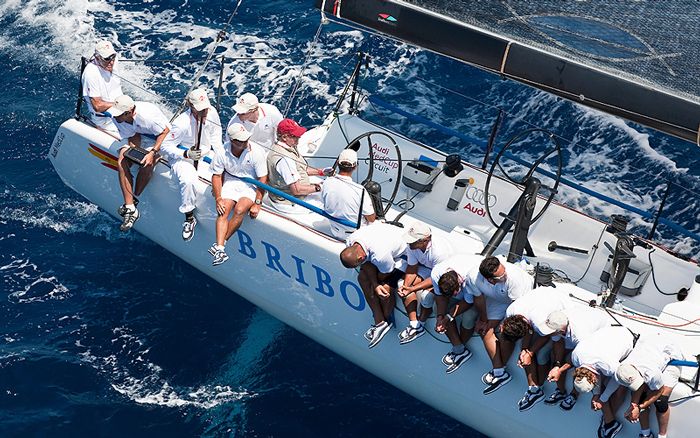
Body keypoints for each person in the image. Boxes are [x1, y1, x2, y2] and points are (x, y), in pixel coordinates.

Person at [160, 88, 223, 241]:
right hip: (183, 158)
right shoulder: (182, 123)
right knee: (188, 180)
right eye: (200, 109)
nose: (205, 112)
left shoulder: (211, 112)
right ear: (191, 106)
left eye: (205, 108)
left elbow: (216, 138)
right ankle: (189, 217)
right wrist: (186, 153)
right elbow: (165, 146)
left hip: (206, 155)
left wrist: (221, 159)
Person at [467, 256, 533, 395]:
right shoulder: (474, 278)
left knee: (507, 335)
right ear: (490, 280)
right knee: (484, 331)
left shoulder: (514, 280)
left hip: (518, 304)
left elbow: (518, 311)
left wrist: (505, 325)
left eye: (504, 271)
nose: (505, 275)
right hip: (498, 300)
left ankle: (499, 369)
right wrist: (484, 319)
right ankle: (500, 372)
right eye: (501, 276)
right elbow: (478, 298)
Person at [500, 287, 571, 411]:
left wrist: (530, 352)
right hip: (542, 301)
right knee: (524, 351)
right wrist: (525, 351)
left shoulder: (539, 322)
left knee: (542, 353)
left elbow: (549, 337)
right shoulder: (511, 312)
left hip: (561, 308)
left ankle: (538, 387)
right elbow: (529, 331)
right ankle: (534, 389)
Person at [340, 223, 408, 348]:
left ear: (360, 257)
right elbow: (365, 265)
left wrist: (376, 285)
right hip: (384, 249)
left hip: (402, 257)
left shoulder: (380, 256)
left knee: (385, 287)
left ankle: (386, 320)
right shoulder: (351, 241)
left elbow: (386, 272)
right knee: (362, 277)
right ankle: (380, 322)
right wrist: (375, 285)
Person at [109, 95, 171, 232]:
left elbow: (165, 131)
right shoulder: (117, 117)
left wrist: (152, 153)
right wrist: (134, 151)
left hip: (160, 138)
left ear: (129, 112)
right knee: (122, 159)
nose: (115, 117)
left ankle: (135, 196)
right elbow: (133, 134)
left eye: (119, 114)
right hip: (141, 136)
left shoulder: (147, 117)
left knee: (148, 163)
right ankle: (131, 207)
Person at [209, 123, 268, 265]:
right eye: (241, 140)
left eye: (246, 139)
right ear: (232, 141)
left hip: (250, 185)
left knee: (240, 209)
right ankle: (221, 249)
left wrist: (257, 203)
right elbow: (216, 176)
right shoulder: (222, 152)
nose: (246, 142)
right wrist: (218, 198)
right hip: (230, 182)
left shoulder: (256, 152)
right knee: (223, 211)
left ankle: (219, 246)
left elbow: (262, 179)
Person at [614, 334, 685, 438]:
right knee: (641, 397)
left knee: (661, 401)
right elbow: (637, 386)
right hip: (651, 353)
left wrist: (640, 406)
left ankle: (662, 436)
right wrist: (633, 406)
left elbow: (659, 391)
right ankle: (646, 435)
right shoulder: (623, 368)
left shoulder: (652, 372)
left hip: (672, 359)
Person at [571, 325, 636, 438]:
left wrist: (602, 398)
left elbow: (618, 380)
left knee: (621, 387)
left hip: (628, 337)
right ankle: (609, 421)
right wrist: (597, 395)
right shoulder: (575, 357)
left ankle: (609, 421)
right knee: (604, 388)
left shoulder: (608, 366)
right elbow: (593, 370)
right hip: (610, 329)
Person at [396, 222, 454, 345]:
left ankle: (421, 324)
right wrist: (406, 287)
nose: (409, 243)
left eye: (413, 241)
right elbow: (412, 268)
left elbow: (436, 277)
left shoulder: (440, 252)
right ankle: (414, 325)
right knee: (402, 285)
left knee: (426, 297)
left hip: (444, 276)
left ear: (425, 240)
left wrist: (412, 289)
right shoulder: (412, 246)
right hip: (428, 269)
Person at [544, 307, 611, 411]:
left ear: (561, 330)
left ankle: (574, 394)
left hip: (600, 332)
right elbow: (557, 342)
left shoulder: (580, 335)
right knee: (556, 355)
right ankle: (561, 391)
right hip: (584, 326)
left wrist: (560, 370)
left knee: (580, 366)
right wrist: (557, 366)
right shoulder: (556, 321)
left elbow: (580, 360)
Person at [430, 254, 484, 373]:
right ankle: (459, 349)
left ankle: (460, 347)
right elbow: (440, 297)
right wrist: (440, 317)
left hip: (478, 293)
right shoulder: (436, 273)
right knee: (437, 308)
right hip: (462, 290)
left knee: (469, 317)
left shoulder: (470, 279)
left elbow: (468, 302)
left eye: (454, 294)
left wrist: (448, 318)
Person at [266, 118, 325, 213]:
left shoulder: (283, 147)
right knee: (327, 201)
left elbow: (298, 169)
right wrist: (320, 187)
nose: (299, 138)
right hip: (289, 203)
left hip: (286, 194)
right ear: (284, 137)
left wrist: (321, 172)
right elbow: (296, 190)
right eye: (295, 136)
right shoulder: (284, 160)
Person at [321, 149, 375, 239]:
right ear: (355, 167)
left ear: (338, 163)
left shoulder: (327, 182)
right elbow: (371, 219)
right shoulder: (360, 190)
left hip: (334, 230)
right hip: (354, 235)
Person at [82, 40, 123, 133]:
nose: (111, 62)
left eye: (113, 57)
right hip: (106, 121)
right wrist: (122, 106)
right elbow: (98, 106)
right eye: (107, 59)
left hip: (122, 112)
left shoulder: (112, 60)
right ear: (97, 57)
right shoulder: (90, 74)